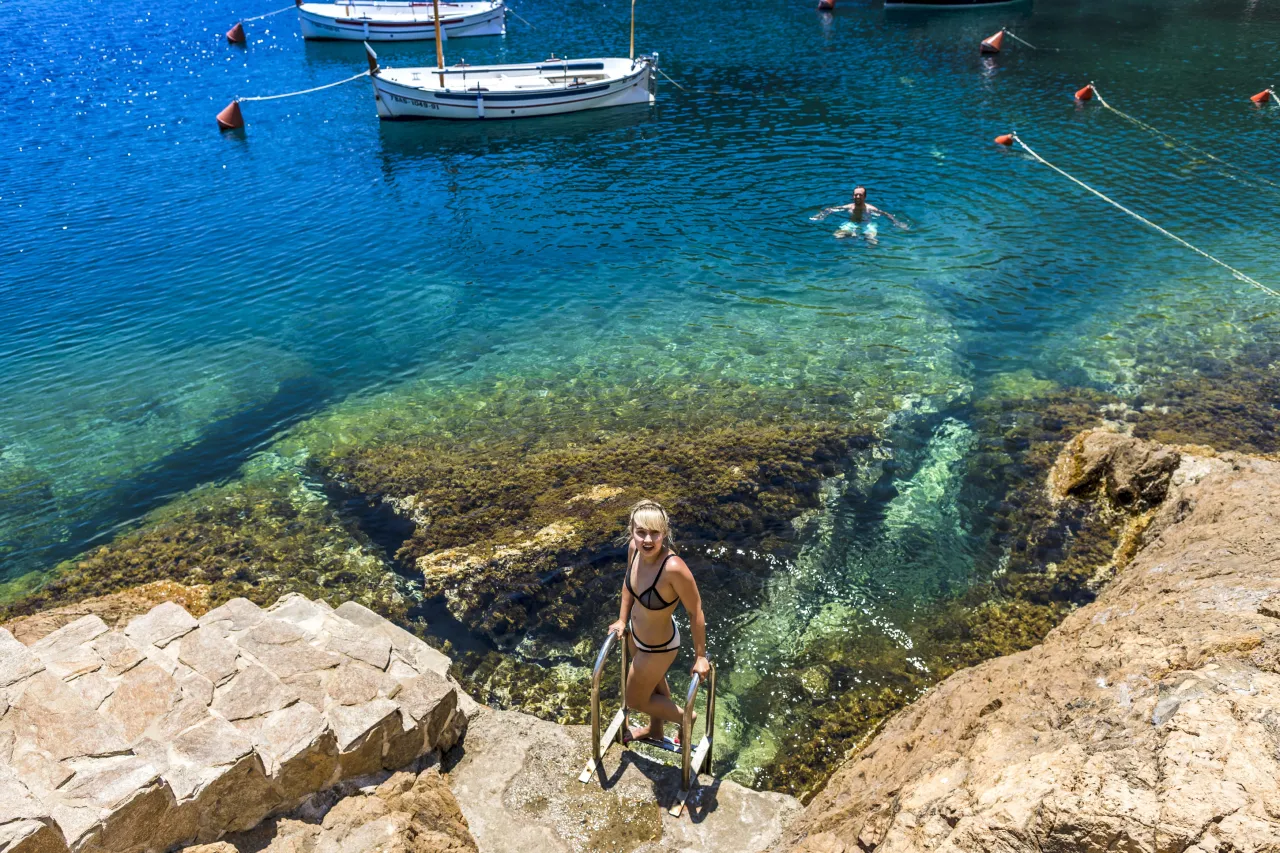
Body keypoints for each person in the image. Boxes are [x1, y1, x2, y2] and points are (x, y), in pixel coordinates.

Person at [607, 500, 710, 743]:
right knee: (651, 685)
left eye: (655, 533)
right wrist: (622, 620)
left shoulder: (673, 568)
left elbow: (696, 612)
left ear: (665, 532)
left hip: (658, 647)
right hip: (635, 634)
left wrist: (701, 656)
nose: (648, 540)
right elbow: (627, 586)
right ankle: (655, 730)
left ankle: (686, 717)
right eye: (641, 532)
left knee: (635, 700)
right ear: (632, 531)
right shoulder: (634, 549)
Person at [811, 186, 908, 243]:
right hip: (852, 224)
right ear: (853, 196)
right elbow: (830, 209)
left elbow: (886, 214)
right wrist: (821, 215)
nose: (858, 197)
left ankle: (859, 238)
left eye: (860, 195)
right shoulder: (849, 207)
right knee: (837, 236)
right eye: (856, 195)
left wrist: (898, 223)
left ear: (864, 197)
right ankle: (854, 235)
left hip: (867, 225)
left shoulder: (870, 208)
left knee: (872, 242)